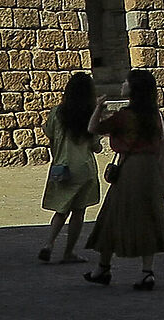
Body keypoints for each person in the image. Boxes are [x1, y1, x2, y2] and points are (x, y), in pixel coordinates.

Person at [86, 69, 164, 289]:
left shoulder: (124, 116)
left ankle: (103, 268)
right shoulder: (154, 116)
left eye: (127, 81)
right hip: (151, 170)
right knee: (149, 217)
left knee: (112, 215)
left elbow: (93, 128)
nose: (123, 84)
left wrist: (99, 107)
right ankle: (147, 272)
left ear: (134, 88)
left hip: (130, 169)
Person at [39, 72, 102, 264]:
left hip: (62, 167)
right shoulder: (90, 115)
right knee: (78, 211)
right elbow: (95, 146)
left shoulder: (57, 113)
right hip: (84, 168)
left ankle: (49, 243)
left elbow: (50, 135)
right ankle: (69, 252)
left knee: (61, 210)